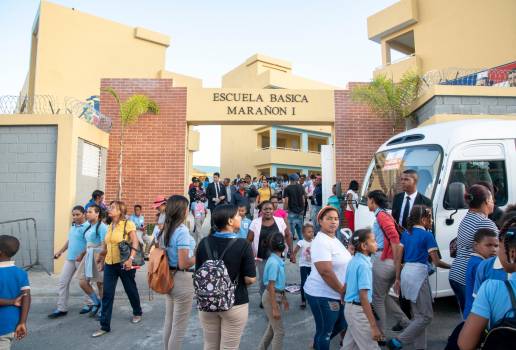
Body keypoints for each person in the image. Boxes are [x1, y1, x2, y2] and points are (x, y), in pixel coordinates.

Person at [388, 205, 451, 350]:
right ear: (423, 219)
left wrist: (397, 278)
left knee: (418, 317)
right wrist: (452, 267)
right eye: (430, 218)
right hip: (418, 275)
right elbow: (436, 261)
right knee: (426, 317)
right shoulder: (428, 235)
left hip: (405, 273)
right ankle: (398, 341)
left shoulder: (406, 233)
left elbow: (398, 258)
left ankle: (420, 347)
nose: (432, 221)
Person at [196, 204, 256, 350]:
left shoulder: (204, 243)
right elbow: (250, 279)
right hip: (235, 302)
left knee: (210, 345)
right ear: (230, 221)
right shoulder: (243, 244)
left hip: (207, 302)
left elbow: (198, 272)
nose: (240, 217)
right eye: (237, 215)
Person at [457, 218, 516, 350]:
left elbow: (465, 344)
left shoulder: (491, 288)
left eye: (499, 247)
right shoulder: (484, 266)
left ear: (512, 253)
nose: (496, 252)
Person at [304, 206, 351, 350]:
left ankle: (315, 345)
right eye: (329, 219)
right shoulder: (321, 241)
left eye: (336, 219)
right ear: (320, 221)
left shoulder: (333, 238)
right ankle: (318, 344)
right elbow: (325, 271)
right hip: (322, 294)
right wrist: (342, 290)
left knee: (341, 324)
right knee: (325, 332)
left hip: (336, 293)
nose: (333, 222)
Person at [93, 201, 142, 337]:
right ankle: (104, 325)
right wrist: (101, 258)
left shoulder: (128, 224)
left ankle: (137, 311)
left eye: (113, 207)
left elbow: (135, 241)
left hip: (124, 263)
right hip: (110, 263)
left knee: (130, 289)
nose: (109, 209)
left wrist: (130, 259)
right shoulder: (110, 226)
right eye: (109, 207)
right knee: (107, 294)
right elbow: (106, 244)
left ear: (120, 211)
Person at [449, 184, 497, 315]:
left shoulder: (468, 217)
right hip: (469, 276)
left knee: (466, 313)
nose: (493, 203)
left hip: (456, 273)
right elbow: (500, 248)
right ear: (487, 201)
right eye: (492, 199)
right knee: (473, 316)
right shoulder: (486, 223)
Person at [367, 190, 410, 335]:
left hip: (383, 261)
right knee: (383, 296)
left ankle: (381, 335)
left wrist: (396, 265)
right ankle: (404, 321)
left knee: (377, 299)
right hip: (387, 262)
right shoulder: (384, 214)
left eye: (367, 200)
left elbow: (395, 239)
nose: (367, 203)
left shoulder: (381, 215)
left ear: (372, 201)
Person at [157, 195, 196, 350]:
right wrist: (198, 255)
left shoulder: (164, 229)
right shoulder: (181, 231)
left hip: (168, 276)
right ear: (183, 210)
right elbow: (184, 262)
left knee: (170, 321)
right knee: (178, 328)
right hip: (182, 279)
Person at [48, 205, 91, 319]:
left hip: (82, 259)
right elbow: (70, 240)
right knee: (63, 282)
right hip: (70, 259)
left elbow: (90, 244)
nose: (75, 217)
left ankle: (90, 304)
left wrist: (82, 255)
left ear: (84, 214)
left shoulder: (88, 227)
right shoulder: (73, 226)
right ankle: (61, 308)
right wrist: (60, 251)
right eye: (73, 215)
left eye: (77, 214)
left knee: (85, 283)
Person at [342, 229, 381, 350]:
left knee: (349, 346)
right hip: (358, 312)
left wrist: (344, 300)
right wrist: (373, 326)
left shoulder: (353, 260)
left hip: (351, 309)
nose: (377, 244)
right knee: (372, 347)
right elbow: (363, 296)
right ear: (364, 246)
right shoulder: (364, 266)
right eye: (373, 241)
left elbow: (346, 285)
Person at [248, 201, 292, 300]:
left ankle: (278, 298)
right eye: (265, 209)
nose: (268, 211)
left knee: (279, 278)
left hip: (278, 257)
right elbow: (249, 240)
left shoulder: (280, 221)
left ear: (273, 210)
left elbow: (288, 235)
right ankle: (264, 299)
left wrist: (291, 252)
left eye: (270, 209)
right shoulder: (255, 223)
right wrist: (249, 256)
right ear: (261, 211)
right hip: (261, 257)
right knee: (264, 280)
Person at [76, 205, 108, 318]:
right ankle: (96, 302)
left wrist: (102, 259)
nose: (87, 214)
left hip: (97, 255)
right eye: (86, 212)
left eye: (90, 212)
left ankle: (103, 308)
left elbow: (105, 245)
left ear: (97, 213)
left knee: (100, 284)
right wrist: (82, 254)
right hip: (88, 255)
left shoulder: (102, 227)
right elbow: (88, 243)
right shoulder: (89, 226)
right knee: (82, 281)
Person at [0, 235, 31, 349]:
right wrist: (22, 322)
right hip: (11, 324)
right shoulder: (20, 273)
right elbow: (26, 297)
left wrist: (12, 302)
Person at [259, 233, 288, 350]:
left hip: (277, 295)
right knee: (279, 332)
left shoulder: (277, 260)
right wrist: (275, 307)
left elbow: (279, 283)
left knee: (272, 329)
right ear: (284, 245)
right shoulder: (274, 263)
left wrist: (284, 299)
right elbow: (271, 286)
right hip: (272, 297)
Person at [463, 228, 498, 318]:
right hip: (477, 314)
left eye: (496, 246)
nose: (493, 249)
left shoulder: (474, 261)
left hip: (472, 311)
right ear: (475, 245)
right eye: (488, 245)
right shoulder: (481, 264)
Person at [292, 223, 314, 309]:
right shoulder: (301, 242)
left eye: (312, 232)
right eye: (309, 232)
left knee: (312, 282)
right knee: (304, 282)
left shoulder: (315, 241)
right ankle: (303, 299)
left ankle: (312, 297)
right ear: (303, 233)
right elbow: (295, 251)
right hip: (304, 265)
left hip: (312, 266)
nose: (311, 233)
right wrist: (293, 257)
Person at [283, 173, 306, 241]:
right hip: (300, 212)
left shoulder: (287, 188)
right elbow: (303, 199)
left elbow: (286, 200)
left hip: (291, 212)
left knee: (290, 233)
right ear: (297, 179)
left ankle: (290, 249)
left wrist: (285, 209)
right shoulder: (301, 187)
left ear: (290, 179)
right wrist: (302, 209)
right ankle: (303, 246)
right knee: (300, 231)